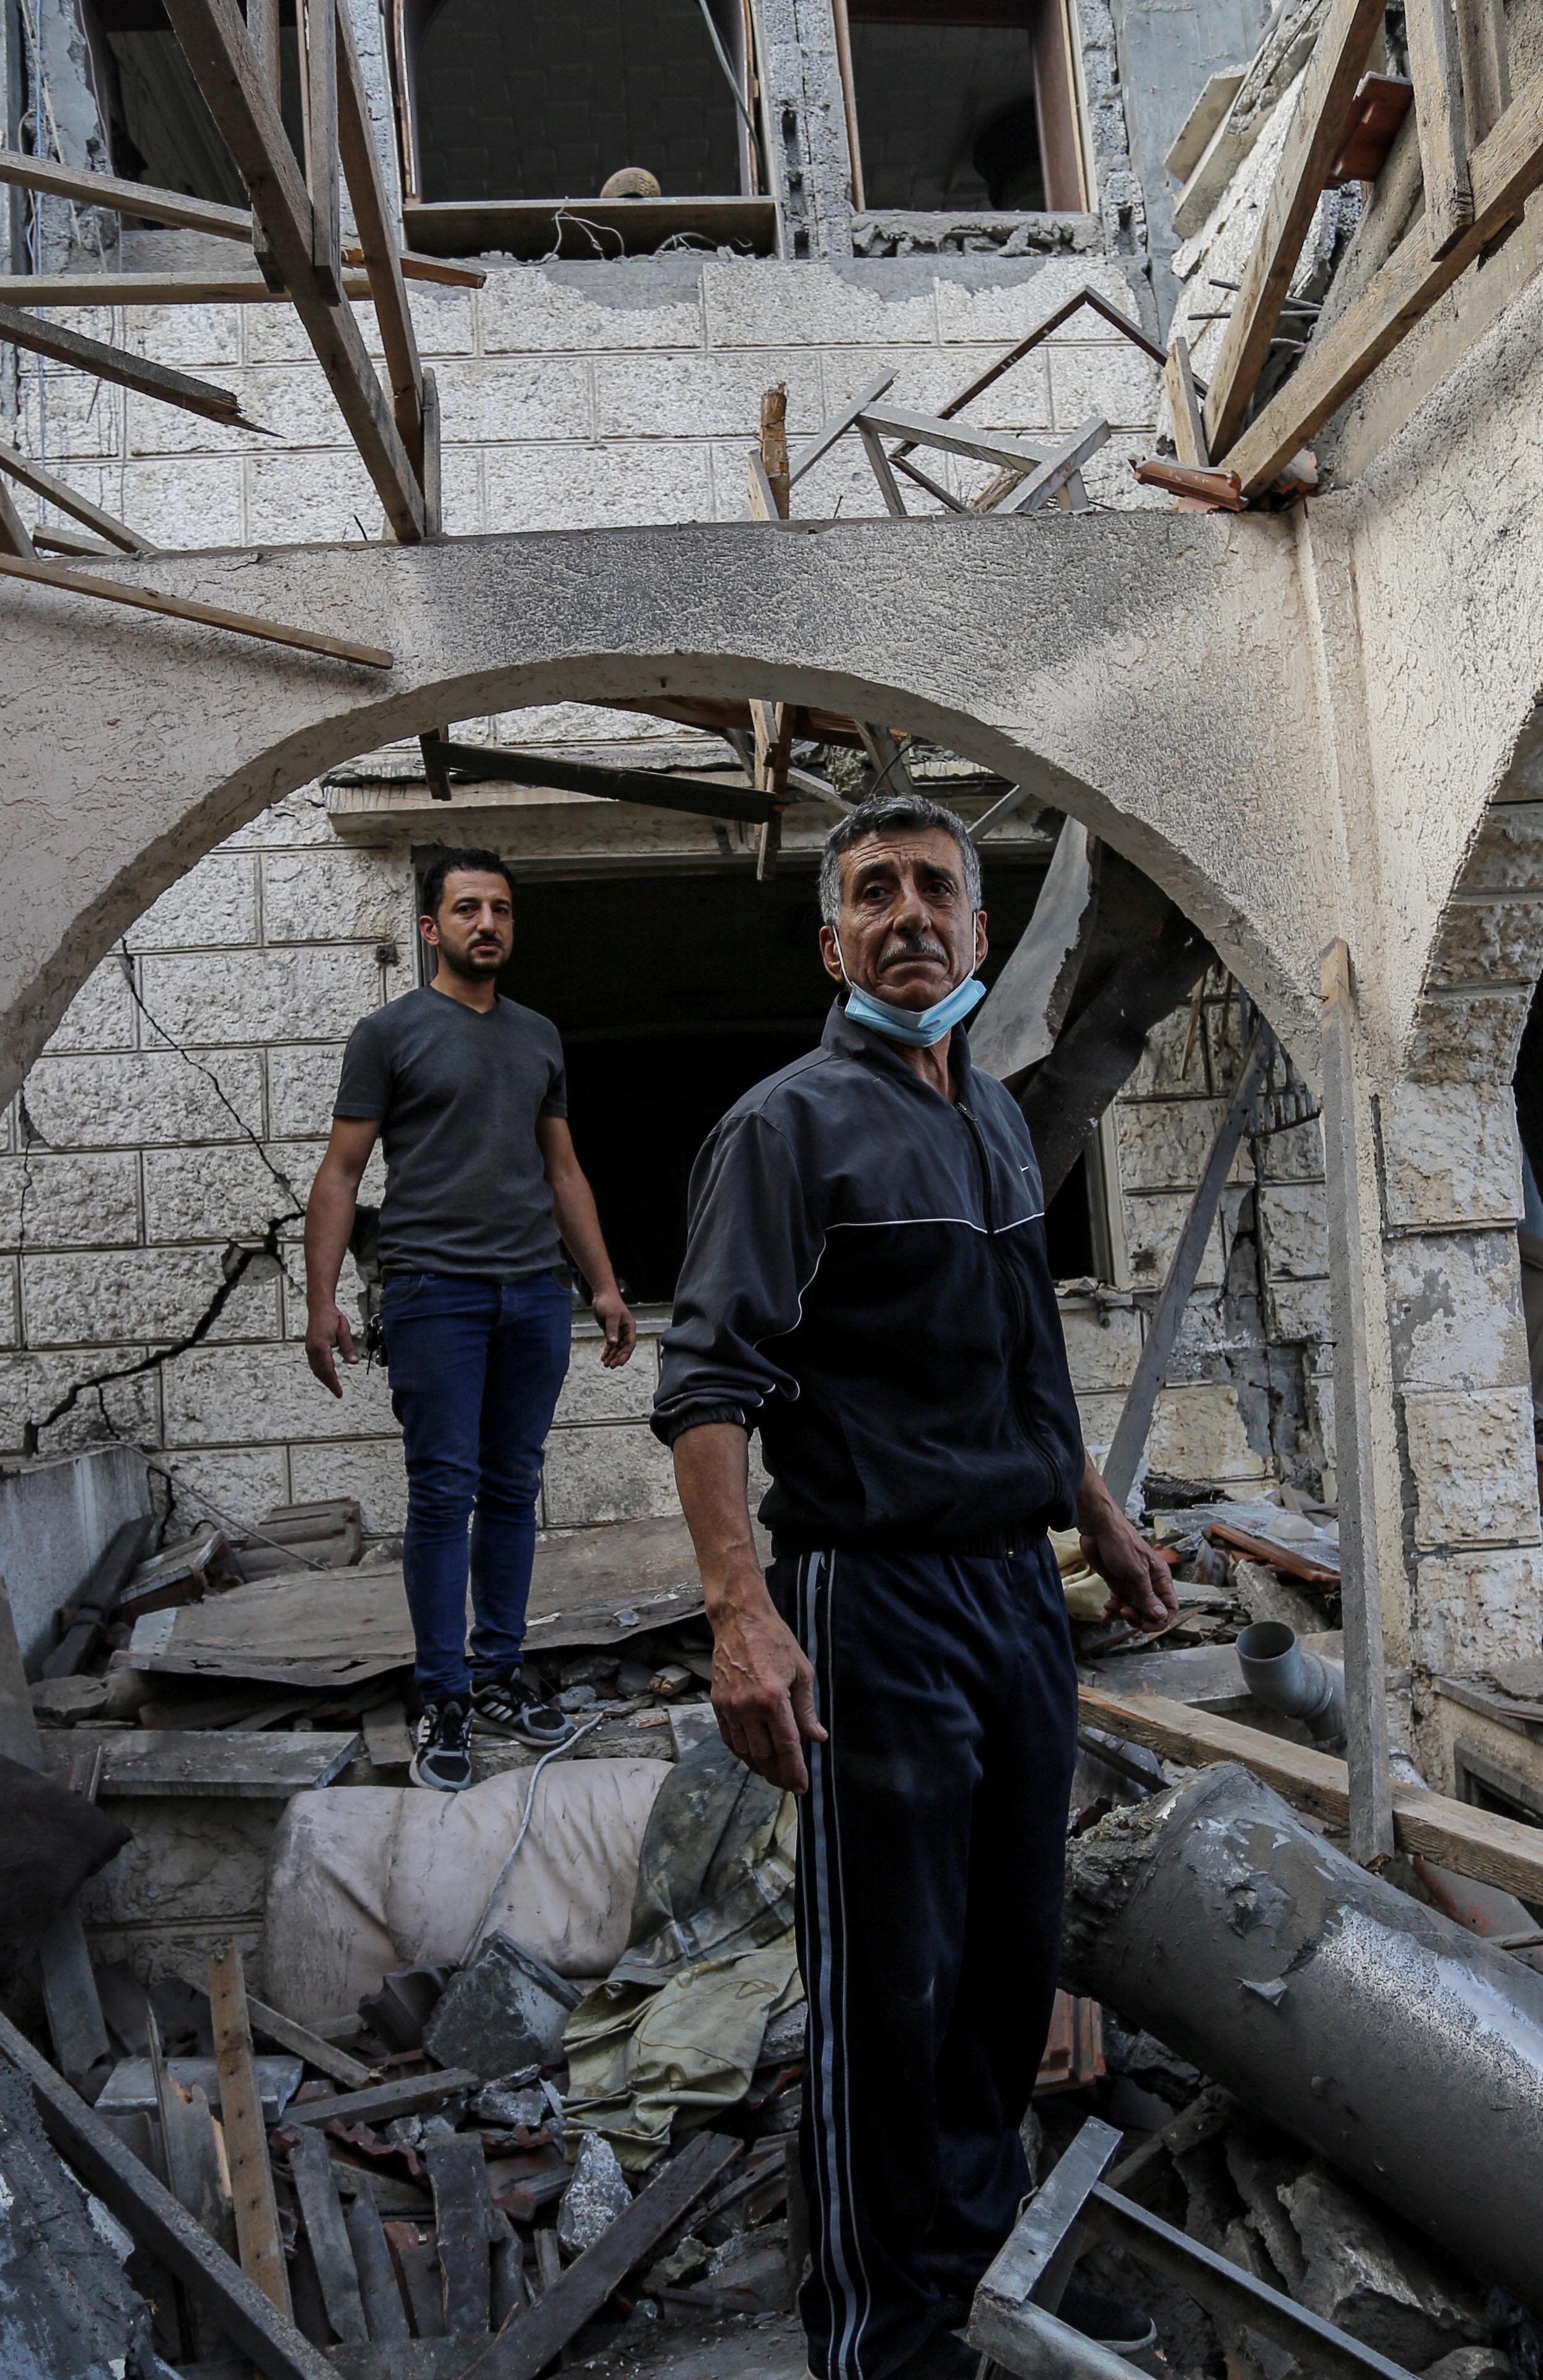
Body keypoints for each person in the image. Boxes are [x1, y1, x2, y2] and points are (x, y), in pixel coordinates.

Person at [649, 793, 1180, 2380]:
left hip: (1016, 1595)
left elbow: (1028, 1353)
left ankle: (979, 2275)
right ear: (834, 940)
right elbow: (705, 1390)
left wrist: (1099, 1515)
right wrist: (741, 1617)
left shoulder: (996, 1117)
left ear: (979, 929)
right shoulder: (786, 1128)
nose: (907, 915)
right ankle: (881, 2343)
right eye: (871, 892)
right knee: (896, 1982)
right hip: (870, 1600)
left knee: (1007, 1969)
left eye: (934, 888)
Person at [304, 848, 639, 1793]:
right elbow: (341, 1175)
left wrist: (604, 1285)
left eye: (499, 909)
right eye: (465, 909)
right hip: (432, 1291)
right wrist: (323, 1301)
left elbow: (563, 1170)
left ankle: (499, 1670)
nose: (484, 923)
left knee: (513, 1485)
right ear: (430, 928)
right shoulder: (388, 1033)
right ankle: (443, 1691)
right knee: (443, 1491)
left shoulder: (538, 1037)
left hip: (533, 1290)